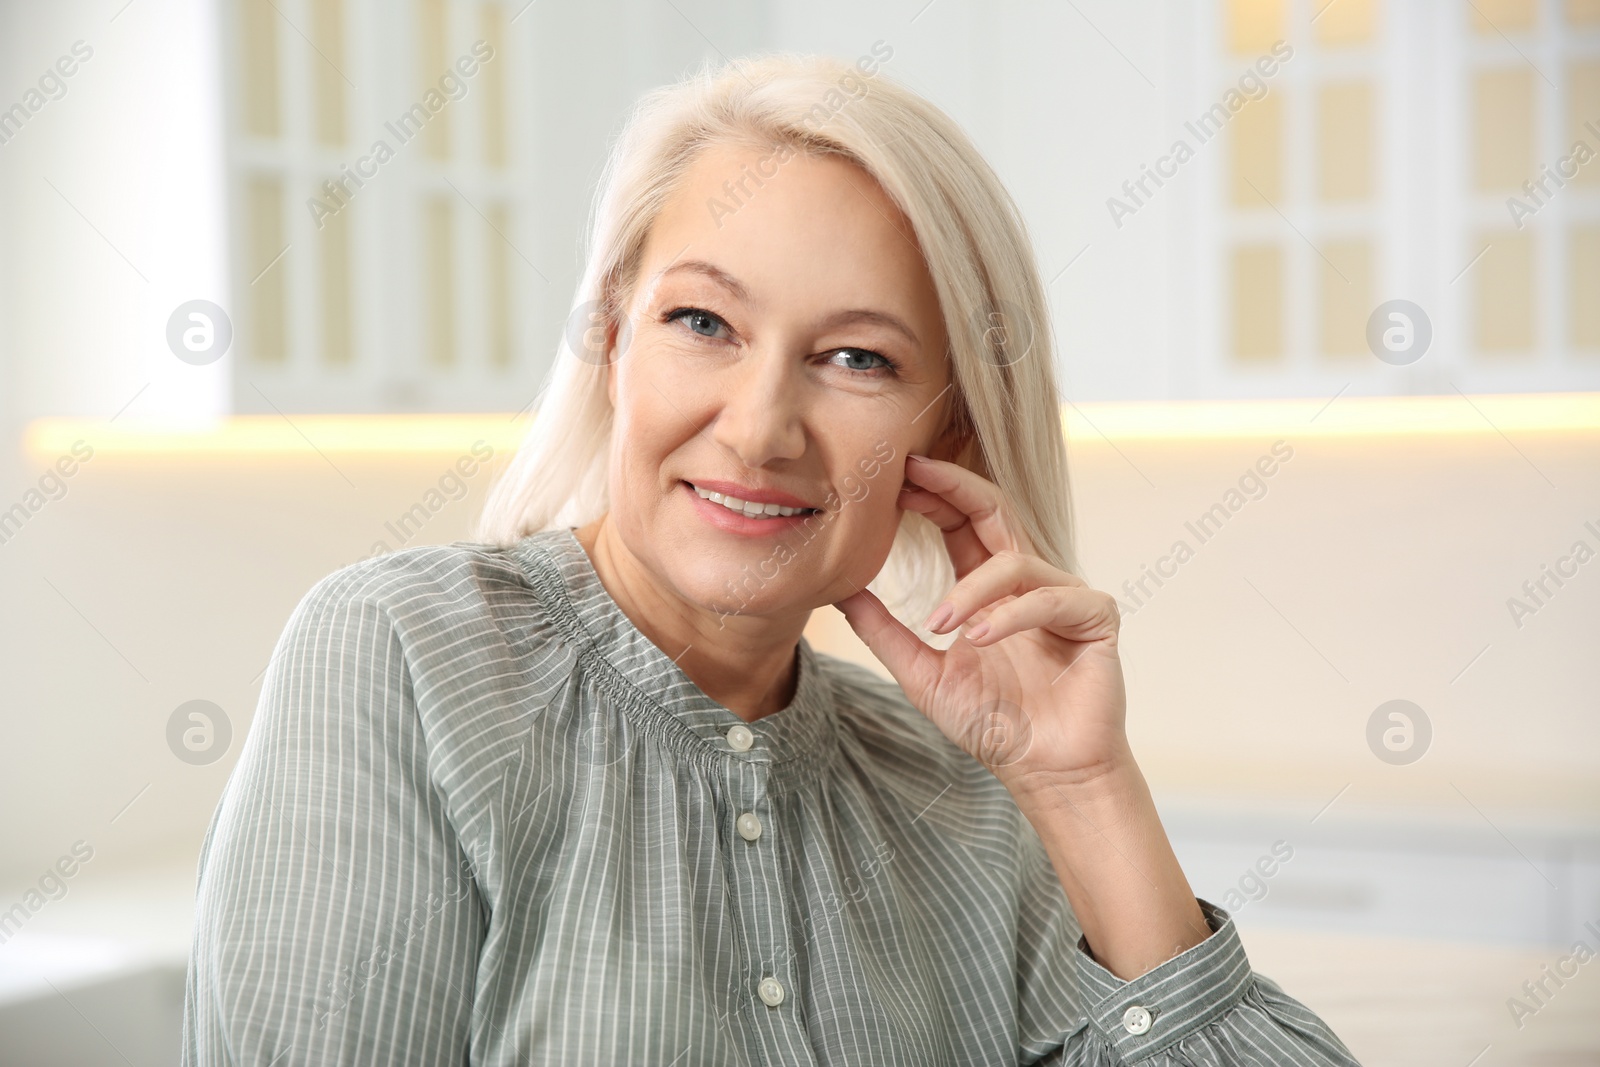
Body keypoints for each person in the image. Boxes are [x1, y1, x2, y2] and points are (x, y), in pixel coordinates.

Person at [182, 52, 1359, 1066]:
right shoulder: (404, 657)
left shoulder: (965, 794)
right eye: (702, 323)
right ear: (609, 341)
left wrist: (1083, 790)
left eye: (856, 358)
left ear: (944, 435)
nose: (758, 426)